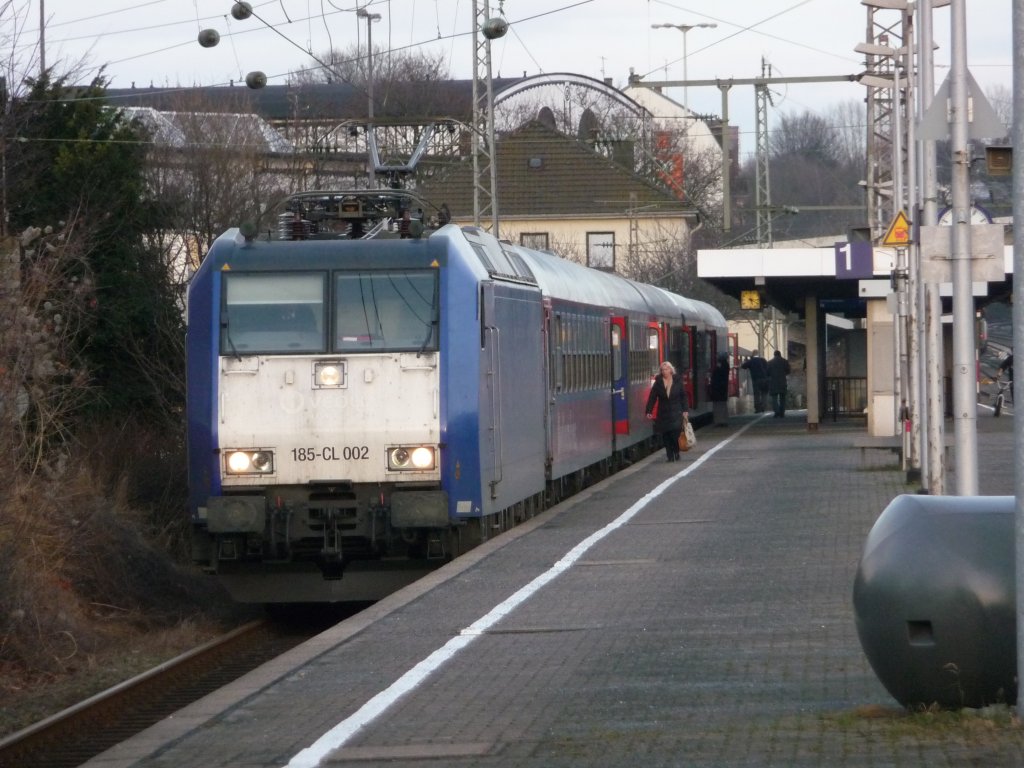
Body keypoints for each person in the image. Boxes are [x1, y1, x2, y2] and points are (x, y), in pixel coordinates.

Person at [645, 361, 690, 462]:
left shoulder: (677, 381)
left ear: (671, 370)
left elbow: (683, 396)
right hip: (664, 412)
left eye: (666, 369)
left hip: (676, 411)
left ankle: (676, 452)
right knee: (666, 435)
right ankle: (669, 455)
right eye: (662, 370)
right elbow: (652, 397)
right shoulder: (658, 382)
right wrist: (649, 410)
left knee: (675, 434)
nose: (664, 371)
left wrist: (685, 409)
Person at [766, 349, 791, 418]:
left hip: (773, 382)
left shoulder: (770, 362)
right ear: (780, 354)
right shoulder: (785, 361)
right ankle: (782, 412)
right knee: (783, 397)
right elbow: (788, 371)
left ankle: (776, 412)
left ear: (774, 355)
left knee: (774, 398)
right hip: (782, 381)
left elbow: (767, 373)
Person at [709, 353, 730, 427]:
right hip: (722, 389)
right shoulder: (726, 366)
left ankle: (719, 421)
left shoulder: (720, 367)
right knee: (723, 406)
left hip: (718, 390)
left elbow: (716, 377)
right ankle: (723, 420)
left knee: (718, 406)